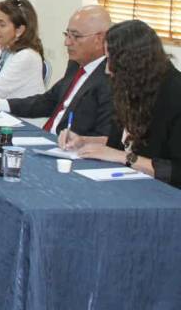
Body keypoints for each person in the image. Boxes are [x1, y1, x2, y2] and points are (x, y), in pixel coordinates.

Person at [60, 20, 181, 187]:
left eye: (111, 60)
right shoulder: (136, 86)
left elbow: (175, 171)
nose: (107, 70)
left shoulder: (174, 95)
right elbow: (123, 144)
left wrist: (124, 158)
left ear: (133, 63)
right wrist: (85, 141)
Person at [0, 5, 113, 136]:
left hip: (68, 148)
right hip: (45, 138)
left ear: (100, 39)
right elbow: (47, 101)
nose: (67, 42)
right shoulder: (75, 66)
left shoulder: (110, 77)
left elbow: (104, 137)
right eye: (67, 35)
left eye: (75, 36)